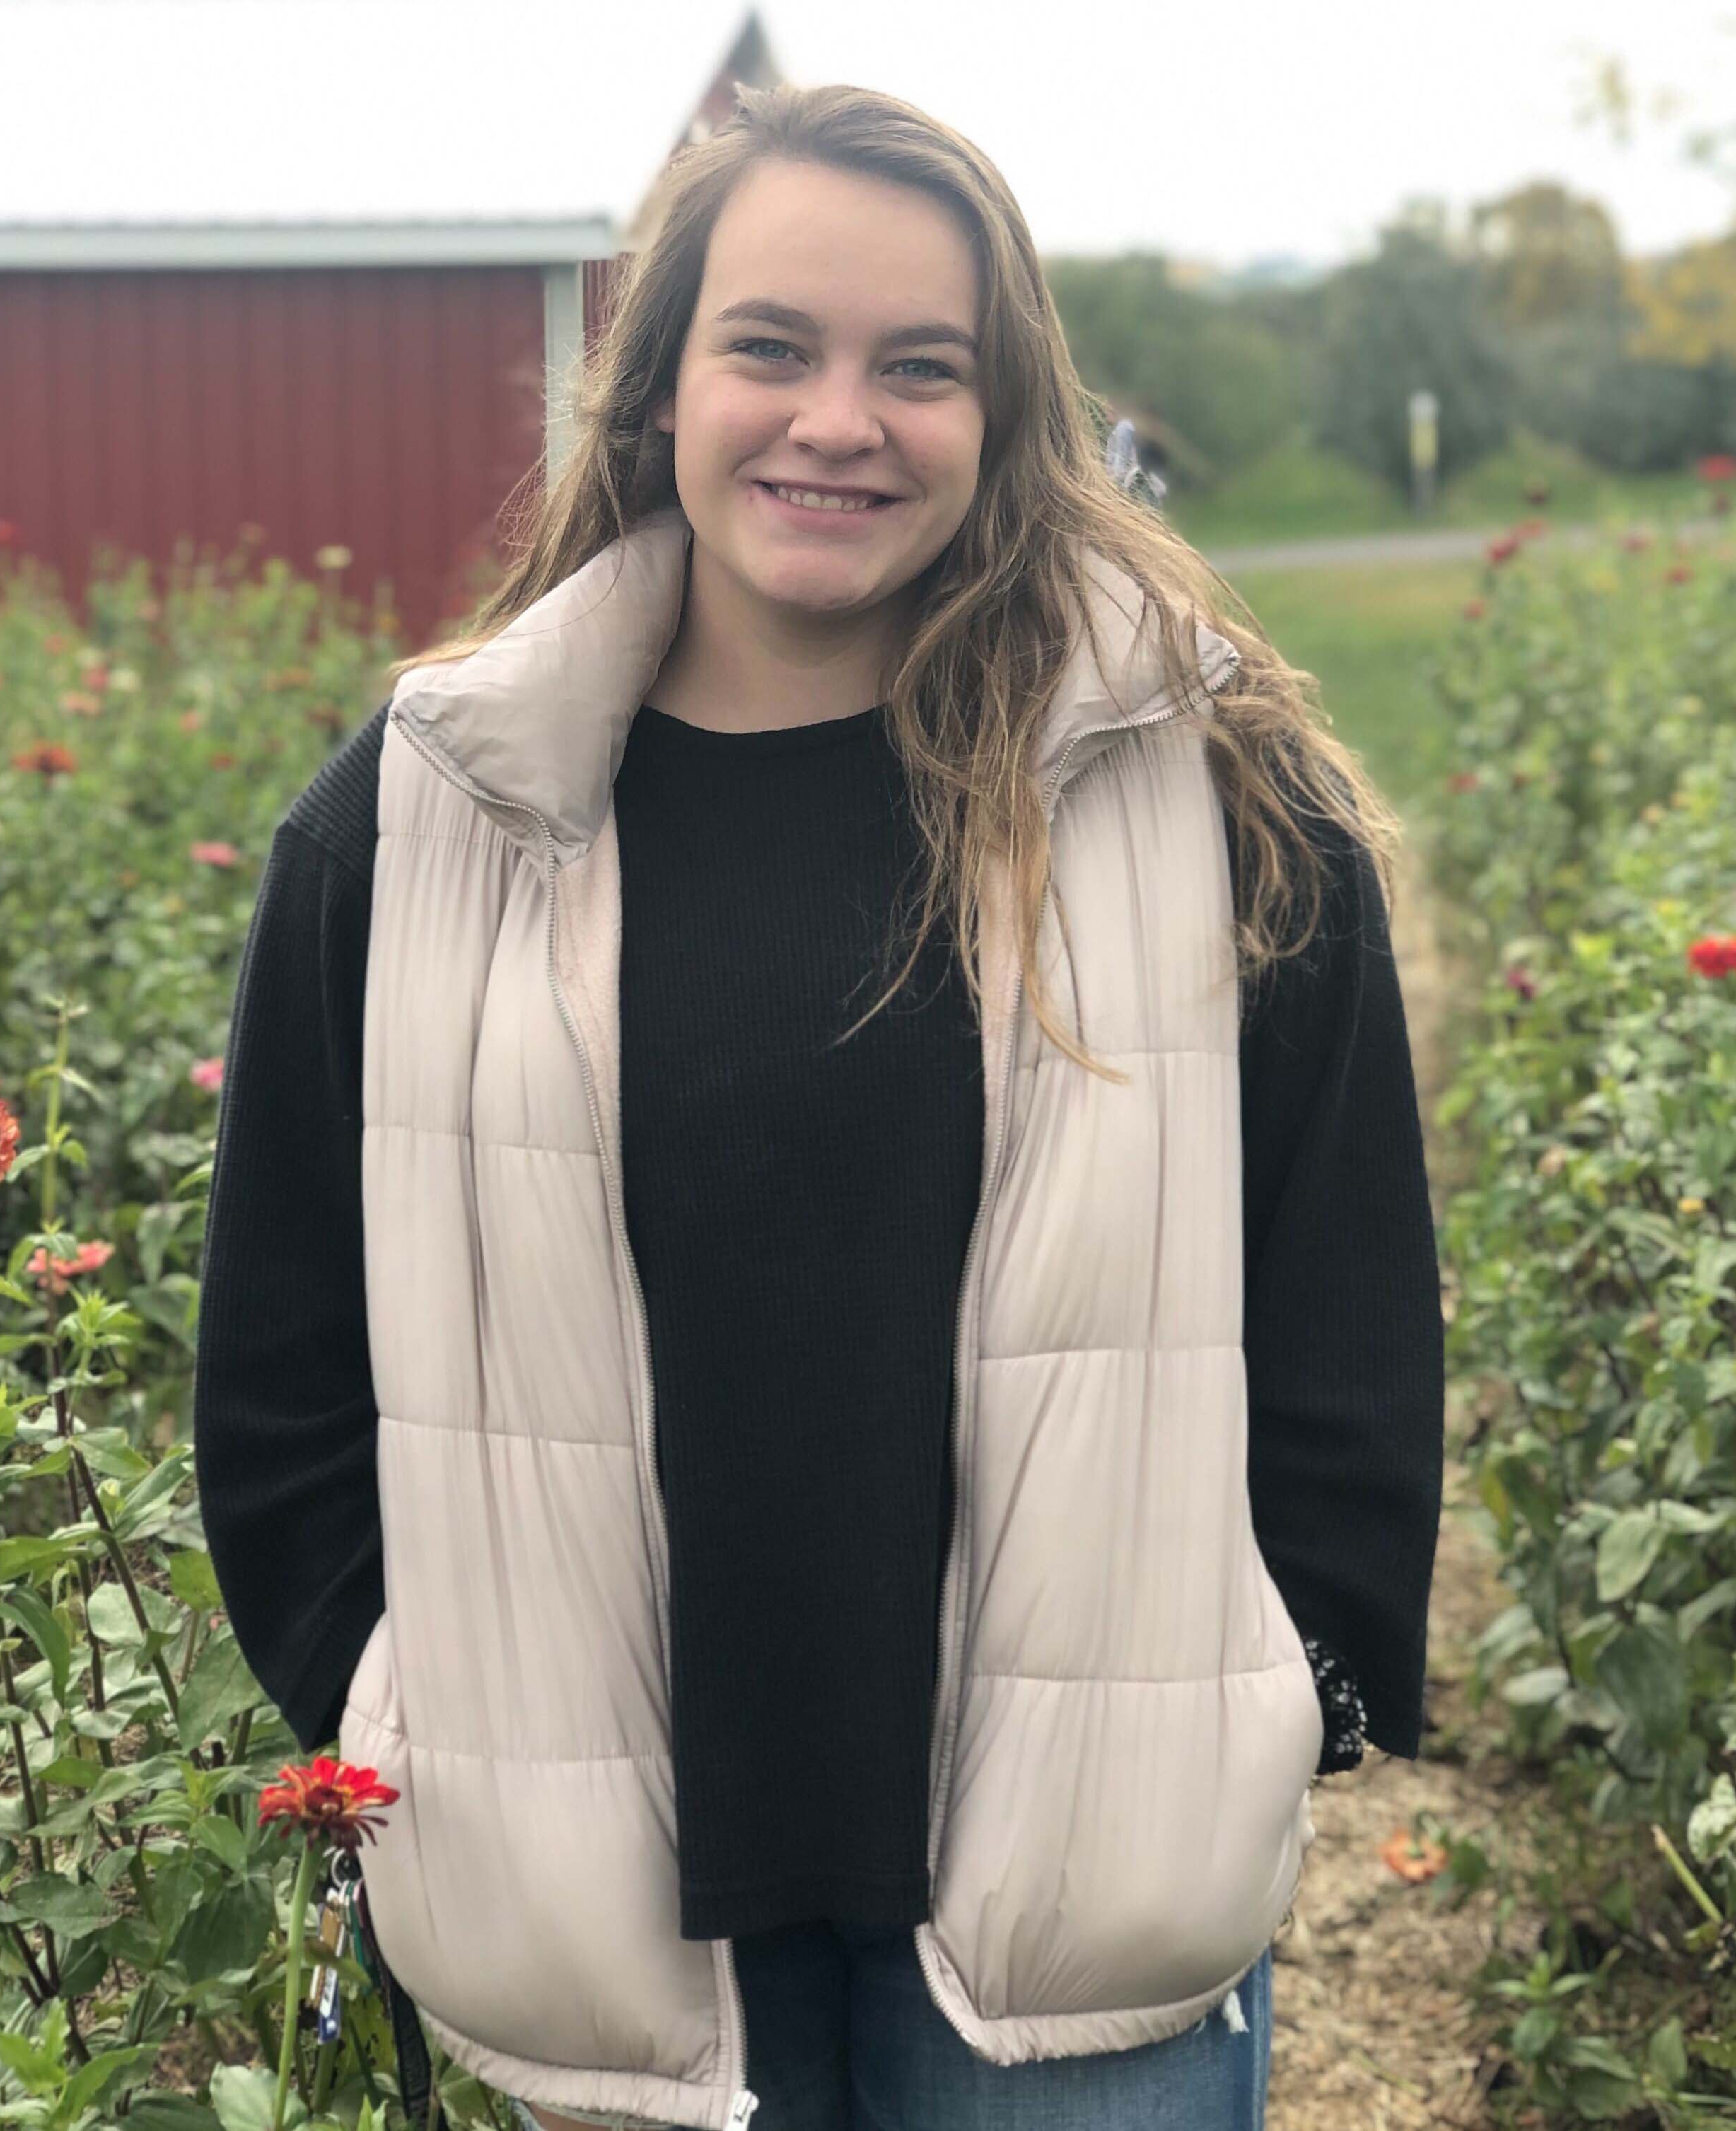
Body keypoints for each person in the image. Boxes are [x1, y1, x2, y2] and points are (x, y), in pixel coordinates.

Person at [194, 79, 1443, 2131]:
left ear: (1003, 410)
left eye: (918, 368)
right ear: (660, 381)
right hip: (599, 1901)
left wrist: (1279, 1682)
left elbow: (1347, 1294)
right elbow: (281, 1368)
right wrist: (396, 1702)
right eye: (771, 344)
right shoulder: (429, 818)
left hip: (1078, 1902)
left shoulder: (1199, 790)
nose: (838, 420)